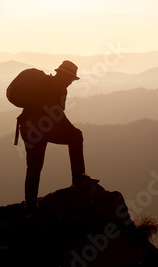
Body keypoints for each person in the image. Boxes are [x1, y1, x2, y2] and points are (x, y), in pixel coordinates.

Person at [18, 60, 99, 215]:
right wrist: (72, 131)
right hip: (40, 128)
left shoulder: (45, 83)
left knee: (34, 168)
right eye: (69, 78)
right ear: (63, 75)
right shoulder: (59, 88)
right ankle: (78, 176)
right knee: (76, 136)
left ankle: (30, 208)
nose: (70, 82)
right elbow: (58, 115)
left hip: (27, 127)